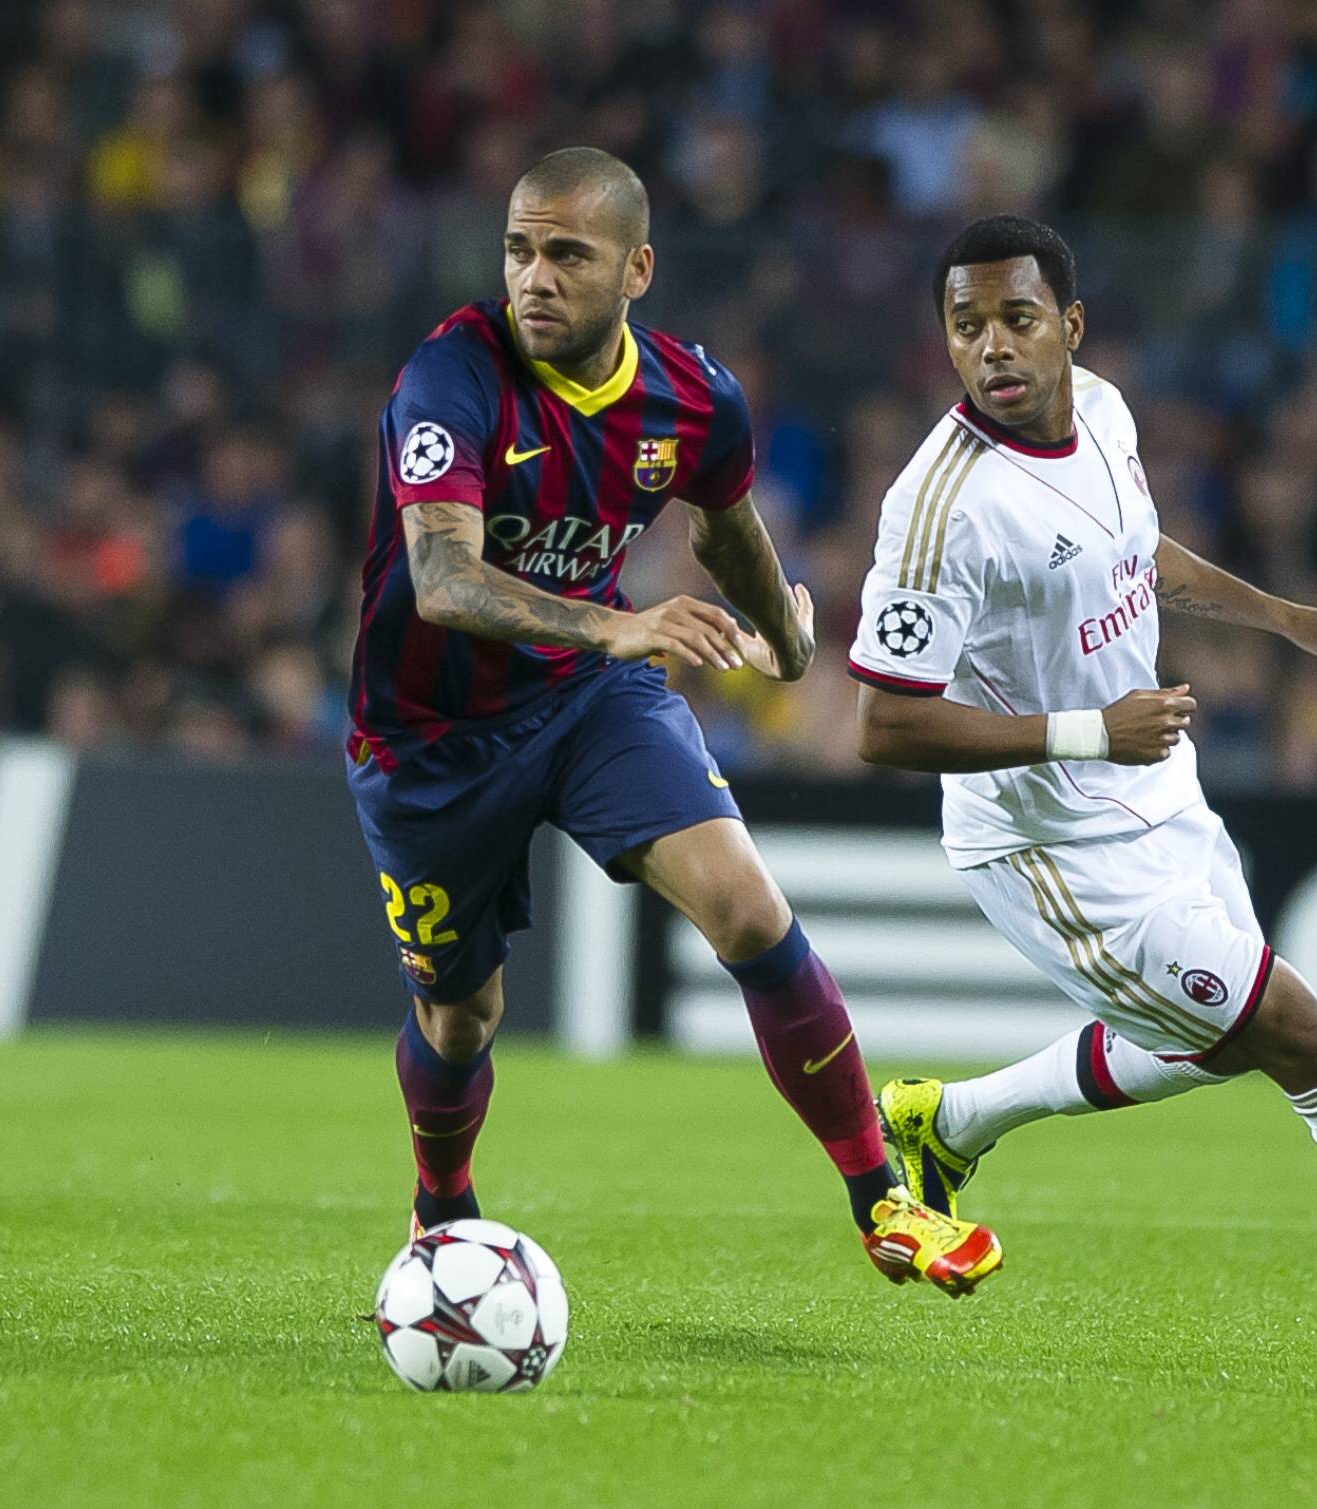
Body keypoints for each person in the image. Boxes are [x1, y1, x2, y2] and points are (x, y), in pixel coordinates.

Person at [850, 214, 1317, 1368]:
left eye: (1016, 318)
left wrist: (1291, 618)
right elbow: (884, 724)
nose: (992, 346)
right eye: (965, 326)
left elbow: (1138, 555)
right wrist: (1092, 730)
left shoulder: (1102, 410)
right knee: (1304, 1038)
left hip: (1161, 794)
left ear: (1071, 326)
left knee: (1227, 1041)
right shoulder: (939, 510)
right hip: (1054, 850)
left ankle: (951, 1123)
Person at [349, 147, 999, 1296]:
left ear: (636, 268)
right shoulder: (452, 379)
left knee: (748, 908)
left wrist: (792, 640)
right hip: (429, 736)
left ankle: (884, 1199)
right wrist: (614, 625)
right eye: (518, 249)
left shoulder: (693, 395)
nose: (533, 278)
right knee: (461, 1020)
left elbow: (724, 526)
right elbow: (443, 581)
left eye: (565, 254)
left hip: (591, 701)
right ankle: (442, 1205)